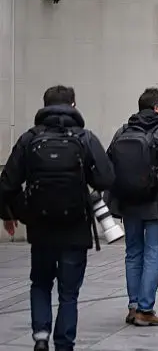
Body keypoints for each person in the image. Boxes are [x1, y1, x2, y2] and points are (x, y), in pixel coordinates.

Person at [0, 85, 115, 351]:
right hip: (75, 226)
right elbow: (107, 178)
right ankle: (64, 344)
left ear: (44, 106)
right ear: (73, 106)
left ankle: (41, 335)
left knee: (40, 282)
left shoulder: (30, 138)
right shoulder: (85, 138)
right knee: (68, 293)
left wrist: (10, 212)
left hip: (41, 227)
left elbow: (7, 184)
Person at [106, 87, 158, 327]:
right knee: (154, 253)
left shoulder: (123, 131)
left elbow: (109, 162)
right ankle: (145, 309)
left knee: (133, 253)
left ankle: (133, 307)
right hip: (157, 204)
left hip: (128, 204)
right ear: (156, 108)